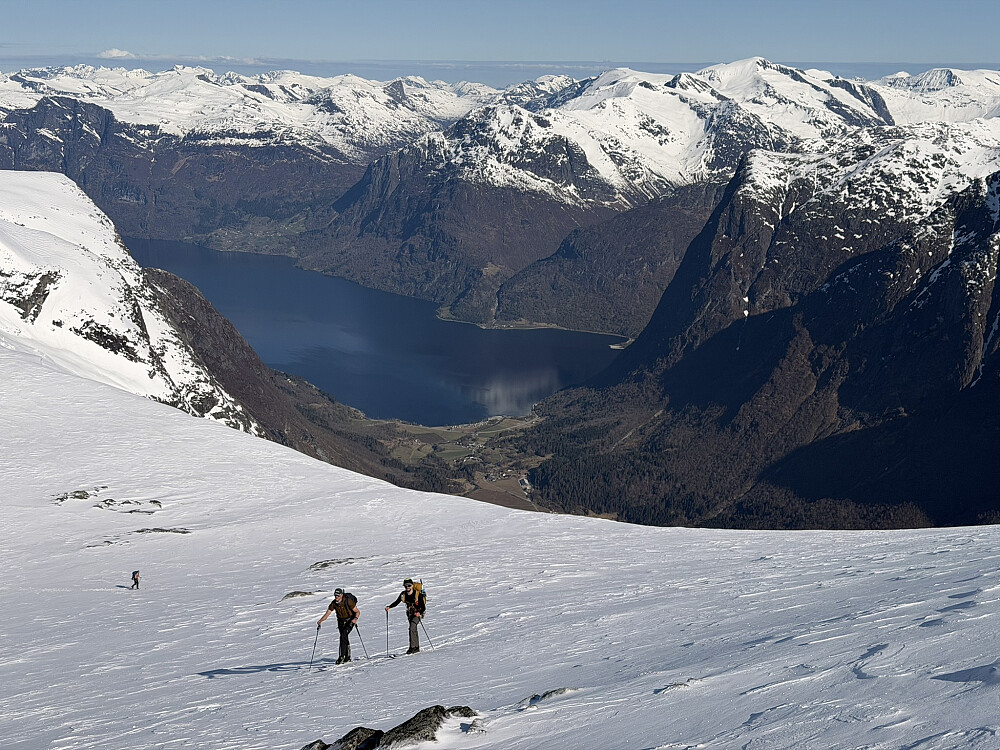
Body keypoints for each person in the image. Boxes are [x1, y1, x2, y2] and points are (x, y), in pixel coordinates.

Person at [317, 588, 359, 664]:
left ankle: (342, 656)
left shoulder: (348, 601)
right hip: (340, 622)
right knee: (344, 637)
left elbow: (357, 612)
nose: (336, 597)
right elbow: (327, 614)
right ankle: (347, 657)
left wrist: (355, 619)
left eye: (338, 596)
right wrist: (320, 621)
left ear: (341, 595)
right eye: (335, 596)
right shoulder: (333, 604)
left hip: (350, 620)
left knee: (343, 636)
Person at [385, 578, 426, 654]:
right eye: (405, 586)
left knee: (412, 627)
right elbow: (397, 602)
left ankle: (412, 647)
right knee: (413, 629)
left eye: (409, 585)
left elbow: (423, 607)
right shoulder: (403, 594)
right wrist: (389, 607)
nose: (407, 587)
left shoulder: (417, 594)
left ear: (412, 586)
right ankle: (416, 647)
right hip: (410, 614)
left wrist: (419, 613)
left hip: (418, 613)